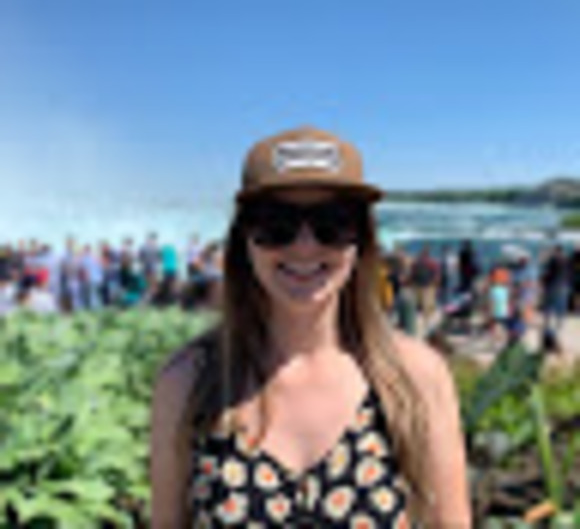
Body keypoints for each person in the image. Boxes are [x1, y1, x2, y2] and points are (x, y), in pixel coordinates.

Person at [150, 126, 471, 528]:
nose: (304, 246)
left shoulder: (415, 377)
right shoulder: (188, 383)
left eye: (332, 223)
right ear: (244, 238)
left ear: (362, 239)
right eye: (276, 223)